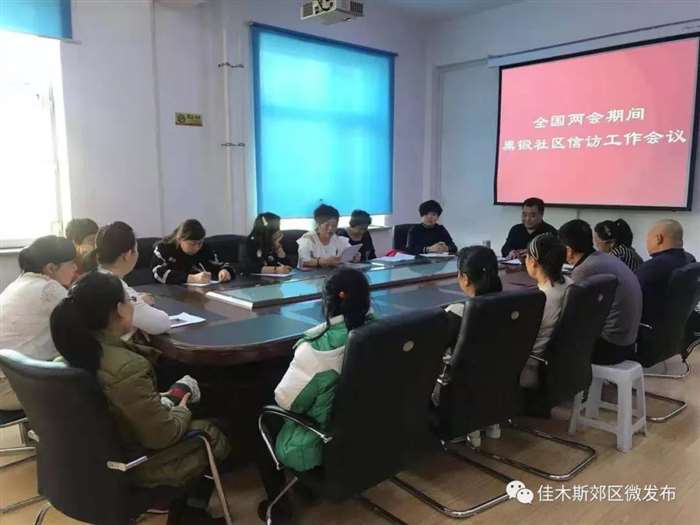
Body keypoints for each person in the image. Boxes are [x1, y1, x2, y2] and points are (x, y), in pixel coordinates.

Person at [49, 272, 230, 516]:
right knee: (218, 427)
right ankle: (190, 512)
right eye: (130, 300)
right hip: (133, 466)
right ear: (119, 310)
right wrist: (181, 408)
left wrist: (166, 400)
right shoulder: (126, 367)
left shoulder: (66, 358)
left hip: (84, 467)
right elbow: (163, 436)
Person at [273, 268, 373, 472]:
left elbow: (286, 401)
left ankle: (277, 483)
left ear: (327, 302)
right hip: (371, 431)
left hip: (319, 446)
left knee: (267, 407)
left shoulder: (315, 349)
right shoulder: (382, 330)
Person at [0, 236, 76, 410]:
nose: (75, 268)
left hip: (8, 376)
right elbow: (87, 323)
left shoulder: (20, 283)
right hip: (9, 387)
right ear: (51, 268)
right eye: (71, 263)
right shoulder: (49, 288)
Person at [437, 246, 502, 447]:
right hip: (498, 385)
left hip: (460, 390)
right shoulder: (510, 304)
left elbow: (435, 349)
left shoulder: (458, 314)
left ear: (464, 278)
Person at [559, 219, 642, 365]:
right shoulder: (604, 258)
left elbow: (568, 313)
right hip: (628, 342)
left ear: (569, 250)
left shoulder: (584, 269)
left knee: (549, 339)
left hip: (610, 347)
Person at [90, 221, 171, 336]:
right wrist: (139, 303)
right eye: (136, 249)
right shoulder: (116, 288)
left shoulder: (91, 278)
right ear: (127, 255)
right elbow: (161, 323)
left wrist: (138, 302)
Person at [520, 234, 572, 388]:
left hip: (532, 366)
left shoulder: (541, 299)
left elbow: (522, 340)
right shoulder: (570, 284)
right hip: (559, 362)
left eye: (526, 256)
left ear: (533, 262)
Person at [636, 220, 696, 328]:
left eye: (648, 239)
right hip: (677, 330)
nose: (646, 243)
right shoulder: (690, 260)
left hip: (647, 329)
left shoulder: (652, 267)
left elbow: (629, 298)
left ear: (658, 238)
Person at [152, 219, 235, 285]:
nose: (197, 247)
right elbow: (157, 273)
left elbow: (221, 264)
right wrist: (191, 278)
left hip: (202, 292)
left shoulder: (205, 248)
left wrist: (225, 271)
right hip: (171, 293)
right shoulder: (164, 248)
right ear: (180, 239)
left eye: (200, 243)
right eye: (192, 244)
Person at [296, 204, 351, 269]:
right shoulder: (307, 239)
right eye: (327, 225)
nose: (330, 229)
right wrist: (320, 262)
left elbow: (349, 251)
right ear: (318, 224)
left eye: (334, 226)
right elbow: (303, 262)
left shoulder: (337, 239)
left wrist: (354, 256)